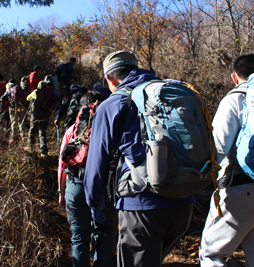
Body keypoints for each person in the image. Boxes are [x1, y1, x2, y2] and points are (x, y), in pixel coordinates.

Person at [83, 50, 195, 266]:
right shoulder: (169, 93)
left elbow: (97, 162)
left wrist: (94, 203)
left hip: (141, 205)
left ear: (110, 78)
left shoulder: (111, 105)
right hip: (183, 202)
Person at [199, 53, 254, 266]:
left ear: (234, 77)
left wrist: (200, 173)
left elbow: (218, 146)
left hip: (239, 189)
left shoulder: (235, 98)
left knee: (212, 255)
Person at [58, 90, 113, 267]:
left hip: (76, 184)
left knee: (79, 237)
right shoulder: (111, 128)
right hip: (103, 186)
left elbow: (62, 164)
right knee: (103, 233)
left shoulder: (72, 131)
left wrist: (61, 192)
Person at [26, 81, 58, 157]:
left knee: (32, 130)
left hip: (36, 113)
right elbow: (56, 101)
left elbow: (27, 98)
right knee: (42, 132)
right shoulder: (50, 93)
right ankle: (43, 151)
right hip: (46, 114)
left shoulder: (37, 91)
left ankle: (31, 147)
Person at [0, 79, 28, 143]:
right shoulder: (18, 88)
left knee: (14, 121)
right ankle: (23, 136)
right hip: (21, 106)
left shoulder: (9, 88)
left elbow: (5, 95)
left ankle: (14, 137)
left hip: (12, 107)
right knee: (21, 121)